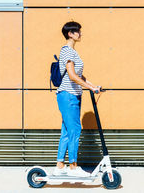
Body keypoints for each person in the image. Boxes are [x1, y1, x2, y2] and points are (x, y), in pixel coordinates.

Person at [52, 21, 101, 177]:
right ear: (70, 34)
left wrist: (93, 85)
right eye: (78, 31)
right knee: (75, 129)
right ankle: (73, 166)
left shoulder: (73, 52)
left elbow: (80, 76)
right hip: (68, 94)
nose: (80, 34)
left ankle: (60, 166)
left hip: (73, 95)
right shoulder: (67, 51)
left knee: (67, 130)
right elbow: (72, 76)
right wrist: (90, 88)